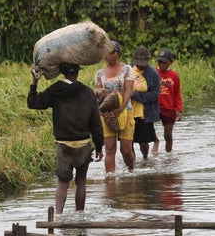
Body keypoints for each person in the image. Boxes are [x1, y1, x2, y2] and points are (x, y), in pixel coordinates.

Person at [28, 62, 104, 216]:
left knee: (62, 182)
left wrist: (35, 81)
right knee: (81, 181)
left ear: (61, 72)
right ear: (77, 72)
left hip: (63, 144)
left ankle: (58, 215)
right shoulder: (87, 92)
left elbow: (33, 103)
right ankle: (80, 215)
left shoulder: (55, 91)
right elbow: (96, 122)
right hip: (83, 144)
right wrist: (100, 146)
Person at [95, 41, 135, 174]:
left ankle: (131, 171)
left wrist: (120, 108)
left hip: (125, 111)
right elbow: (99, 94)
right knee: (110, 149)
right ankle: (110, 179)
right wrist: (102, 112)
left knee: (126, 150)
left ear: (118, 54)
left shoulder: (127, 69)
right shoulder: (100, 73)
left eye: (112, 52)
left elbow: (128, 90)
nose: (110, 55)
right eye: (107, 52)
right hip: (107, 113)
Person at [130, 47, 160, 160]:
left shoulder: (153, 74)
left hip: (144, 114)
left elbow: (154, 95)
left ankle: (145, 159)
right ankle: (131, 163)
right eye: (138, 64)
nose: (140, 66)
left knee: (143, 142)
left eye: (143, 64)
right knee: (129, 142)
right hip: (129, 112)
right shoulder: (127, 70)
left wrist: (135, 95)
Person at [151, 49, 183, 154]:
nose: (161, 64)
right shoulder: (153, 73)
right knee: (148, 129)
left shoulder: (174, 75)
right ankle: (155, 140)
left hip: (168, 108)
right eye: (159, 62)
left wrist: (179, 108)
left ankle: (168, 154)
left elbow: (177, 93)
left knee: (168, 134)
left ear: (171, 62)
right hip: (154, 107)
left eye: (164, 62)